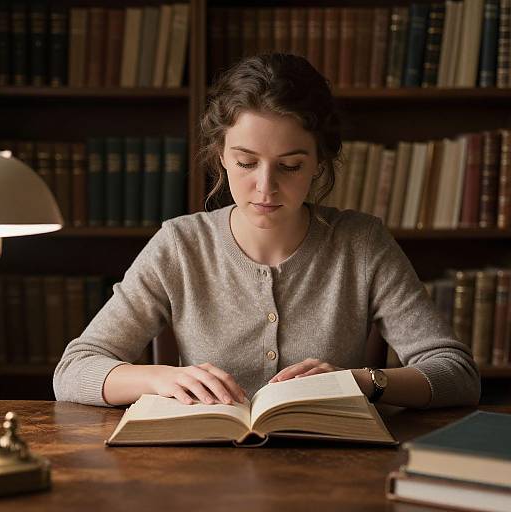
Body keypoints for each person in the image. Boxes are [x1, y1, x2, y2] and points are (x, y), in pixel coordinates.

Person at [53, 53, 480, 410]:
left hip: (330, 472)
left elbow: (456, 373)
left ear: (319, 161)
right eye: (245, 162)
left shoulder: (361, 242)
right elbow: (74, 370)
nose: (265, 187)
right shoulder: (180, 245)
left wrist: (364, 382)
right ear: (220, 154)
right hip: (202, 475)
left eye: (290, 165)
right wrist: (161, 379)